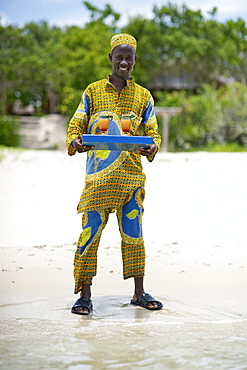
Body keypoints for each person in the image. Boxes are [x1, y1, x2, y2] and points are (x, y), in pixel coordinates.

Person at [66, 33, 163, 315]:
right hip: (99, 179)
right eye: (119, 57)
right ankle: (84, 295)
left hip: (132, 179)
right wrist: (75, 141)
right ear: (111, 58)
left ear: (134, 61)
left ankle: (139, 293)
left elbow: (153, 132)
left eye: (128, 58)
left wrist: (153, 146)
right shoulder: (93, 91)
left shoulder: (143, 96)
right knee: (90, 234)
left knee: (134, 234)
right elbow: (76, 125)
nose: (124, 62)